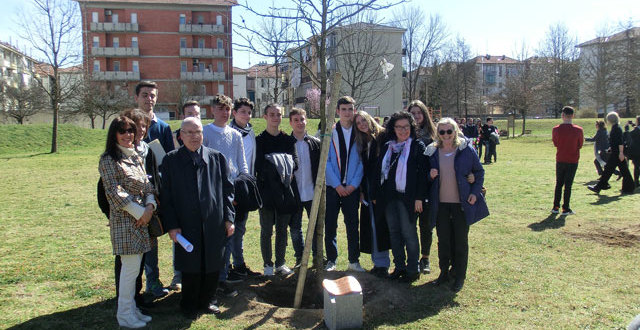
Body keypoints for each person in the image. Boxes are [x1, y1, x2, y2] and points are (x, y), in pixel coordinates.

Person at [161, 117, 235, 318]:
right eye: (189, 132)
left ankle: (209, 300)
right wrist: (172, 225)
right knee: (190, 263)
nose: (194, 137)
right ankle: (189, 303)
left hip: (213, 221)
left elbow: (228, 191)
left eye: (198, 132)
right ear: (181, 136)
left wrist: (229, 218)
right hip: (185, 223)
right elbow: (165, 196)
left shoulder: (217, 158)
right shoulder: (171, 160)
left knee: (213, 262)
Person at [99, 116, 156, 328]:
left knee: (135, 270)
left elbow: (148, 186)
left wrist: (149, 208)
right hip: (126, 222)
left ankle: (132, 309)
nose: (127, 135)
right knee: (129, 270)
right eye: (122, 131)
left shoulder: (135, 156)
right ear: (114, 134)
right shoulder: (108, 159)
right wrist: (140, 212)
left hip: (143, 220)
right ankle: (124, 315)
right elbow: (114, 193)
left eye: (131, 131)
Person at [427, 117, 489, 292]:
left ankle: (459, 275)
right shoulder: (432, 151)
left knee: (460, 241)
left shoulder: (465, 150)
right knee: (443, 240)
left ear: (455, 131)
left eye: (449, 131)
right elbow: (425, 177)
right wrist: (429, 175)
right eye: (442, 131)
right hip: (441, 204)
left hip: (461, 203)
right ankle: (444, 273)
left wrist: (475, 192)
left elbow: (479, 172)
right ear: (438, 133)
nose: (446, 135)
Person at [371, 111, 427, 283]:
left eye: (406, 127)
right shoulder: (388, 146)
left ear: (412, 127)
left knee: (409, 233)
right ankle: (399, 267)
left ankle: (412, 269)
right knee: (394, 233)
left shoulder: (418, 146)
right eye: (399, 127)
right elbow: (378, 172)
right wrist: (375, 194)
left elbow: (423, 176)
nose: (403, 130)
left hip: (408, 198)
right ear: (393, 129)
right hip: (388, 198)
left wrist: (419, 198)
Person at [202, 94, 246, 296]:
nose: (224, 112)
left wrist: (242, 184)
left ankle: (223, 275)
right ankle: (213, 277)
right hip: (212, 190)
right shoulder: (205, 132)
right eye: (220, 108)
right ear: (212, 110)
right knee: (215, 236)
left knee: (231, 233)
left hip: (233, 189)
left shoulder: (236, 134)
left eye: (228, 109)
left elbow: (241, 162)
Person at [133, 81, 171, 299]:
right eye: (145, 95)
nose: (149, 99)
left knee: (153, 236)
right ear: (137, 97)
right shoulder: (126, 125)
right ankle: (132, 286)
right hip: (133, 194)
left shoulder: (163, 127)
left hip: (155, 192)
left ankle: (153, 281)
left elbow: (167, 161)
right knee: (134, 241)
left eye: (153, 95)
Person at [255, 104, 299, 276]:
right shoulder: (259, 140)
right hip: (265, 191)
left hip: (284, 191)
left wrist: (273, 162)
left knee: (282, 229)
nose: (275, 117)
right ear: (265, 116)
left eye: (278, 114)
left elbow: (295, 163)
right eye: (272, 114)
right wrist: (281, 163)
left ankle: (280, 263)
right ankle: (267, 264)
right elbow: (259, 165)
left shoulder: (288, 140)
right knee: (266, 230)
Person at [325, 96, 365, 272]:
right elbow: (325, 161)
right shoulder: (329, 132)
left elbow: (362, 162)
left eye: (350, 109)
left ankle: (353, 261)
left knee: (352, 225)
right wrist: (336, 184)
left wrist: (353, 185)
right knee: (330, 224)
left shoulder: (360, 133)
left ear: (354, 111)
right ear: (337, 111)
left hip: (351, 188)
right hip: (333, 187)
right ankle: (331, 260)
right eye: (344, 109)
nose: (347, 113)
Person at [226, 97, 261, 281]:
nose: (246, 115)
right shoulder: (229, 132)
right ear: (234, 113)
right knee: (230, 228)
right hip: (231, 187)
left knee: (240, 228)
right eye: (242, 112)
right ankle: (229, 267)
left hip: (245, 185)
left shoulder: (251, 132)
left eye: (249, 112)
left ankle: (239, 265)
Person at [353, 110, 391, 277]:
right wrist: (362, 190)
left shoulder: (383, 137)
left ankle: (383, 264)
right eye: (358, 123)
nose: (362, 124)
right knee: (372, 226)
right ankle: (377, 262)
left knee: (382, 226)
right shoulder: (363, 142)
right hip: (368, 189)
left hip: (381, 189)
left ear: (369, 119)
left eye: (363, 120)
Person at [289, 108, 321, 267]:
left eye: (302, 119)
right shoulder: (286, 143)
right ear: (290, 123)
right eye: (296, 120)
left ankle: (317, 256)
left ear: (306, 120)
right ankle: (300, 258)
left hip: (312, 192)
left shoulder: (315, 143)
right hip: (294, 194)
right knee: (295, 228)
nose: (300, 123)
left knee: (315, 226)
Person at [407, 100, 437, 274]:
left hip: (429, 187)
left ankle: (425, 258)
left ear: (425, 114)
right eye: (413, 113)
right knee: (409, 225)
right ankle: (412, 257)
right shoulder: (404, 134)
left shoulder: (433, 135)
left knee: (426, 226)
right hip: (410, 188)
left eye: (419, 112)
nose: (416, 116)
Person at [588, 112, 635, 194]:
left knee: (609, 170)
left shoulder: (616, 128)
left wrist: (621, 153)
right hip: (615, 152)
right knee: (623, 171)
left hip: (617, 153)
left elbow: (620, 142)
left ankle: (600, 186)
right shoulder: (615, 128)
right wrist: (610, 148)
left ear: (610, 120)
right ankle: (629, 187)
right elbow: (615, 142)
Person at [551, 106, 583, 215]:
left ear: (562, 115)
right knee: (568, 185)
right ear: (573, 116)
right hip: (573, 159)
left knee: (559, 183)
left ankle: (555, 206)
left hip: (560, 158)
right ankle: (566, 207)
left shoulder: (556, 129)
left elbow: (555, 143)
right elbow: (580, 145)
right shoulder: (578, 130)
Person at [627, 116, 640, 187]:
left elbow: (629, 134)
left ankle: (636, 181)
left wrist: (627, 127)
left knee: (636, 167)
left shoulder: (635, 131)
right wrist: (633, 124)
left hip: (636, 151)